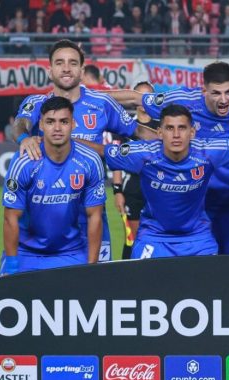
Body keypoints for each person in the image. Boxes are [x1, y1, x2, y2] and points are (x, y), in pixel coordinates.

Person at [107, 62, 229, 255]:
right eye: (216, 93)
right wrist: (88, 97)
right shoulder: (182, 100)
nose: (224, 99)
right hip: (199, 202)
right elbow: (136, 98)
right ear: (204, 90)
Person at [12, 39, 151, 263]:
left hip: (90, 210)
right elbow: (21, 123)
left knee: (95, 287)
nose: (66, 68)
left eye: (72, 63)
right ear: (50, 71)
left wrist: (173, 139)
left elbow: (138, 132)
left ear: (81, 69)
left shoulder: (102, 103)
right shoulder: (37, 103)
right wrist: (23, 138)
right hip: (46, 213)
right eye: (59, 63)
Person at [0, 97, 105, 275]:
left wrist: (91, 266)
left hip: (71, 251)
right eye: (50, 122)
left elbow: (94, 216)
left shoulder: (90, 161)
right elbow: (11, 218)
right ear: (40, 125)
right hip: (28, 253)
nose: (57, 128)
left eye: (63, 122)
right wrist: (11, 264)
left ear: (73, 124)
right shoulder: (24, 162)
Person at [113, 81, 160, 260]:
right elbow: (116, 160)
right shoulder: (126, 126)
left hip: (156, 186)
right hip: (133, 187)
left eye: (147, 97)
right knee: (132, 237)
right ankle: (127, 274)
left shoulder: (162, 126)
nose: (143, 101)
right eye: (139, 96)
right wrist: (117, 190)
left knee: (155, 235)